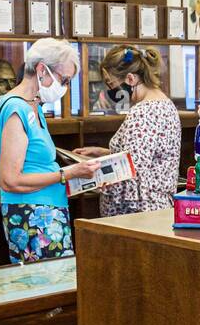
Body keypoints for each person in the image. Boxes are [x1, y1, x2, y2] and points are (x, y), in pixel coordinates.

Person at [0, 38, 101, 325]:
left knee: (33, 308)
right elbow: (12, 177)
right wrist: (67, 174)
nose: (66, 87)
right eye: (65, 79)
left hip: (44, 215)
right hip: (34, 222)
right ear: (42, 71)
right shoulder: (17, 110)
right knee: (42, 311)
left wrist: (77, 175)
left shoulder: (32, 109)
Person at [73, 44, 181, 217]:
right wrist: (106, 153)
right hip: (155, 208)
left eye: (111, 83)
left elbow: (132, 173)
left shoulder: (143, 112)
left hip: (136, 215)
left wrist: (92, 175)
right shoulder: (164, 105)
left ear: (130, 79)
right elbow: (146, 155)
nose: (110, 90)